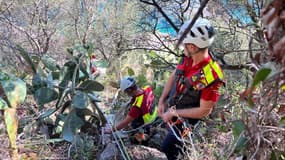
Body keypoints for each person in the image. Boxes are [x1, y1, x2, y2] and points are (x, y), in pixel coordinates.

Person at [158, 18, 224, 159]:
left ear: (193, 47)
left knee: (168, 150)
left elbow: (204, 111)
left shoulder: (211, 75)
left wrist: (174, 113)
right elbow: (175, 75)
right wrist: (162, 100)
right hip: (174, 110)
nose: (183, 47)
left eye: (185, 45)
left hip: (189, 121)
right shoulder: (188, 57)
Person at [105, 76, 157, 142]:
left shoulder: (137, 106)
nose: (127, 94)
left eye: (126, 92)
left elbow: (125, 122)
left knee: (134, 139)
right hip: (154, 115)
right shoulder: (147, 88)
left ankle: (141, 141)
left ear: (129, 90)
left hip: (146, 125)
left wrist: (111, 130)